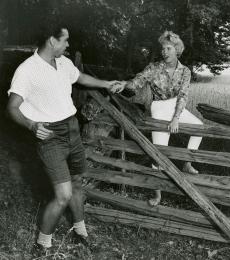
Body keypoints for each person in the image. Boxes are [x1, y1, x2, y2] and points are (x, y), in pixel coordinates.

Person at [6, 24, 122, 255]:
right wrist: (31, 125)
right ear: (52, 40)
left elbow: (80, 77)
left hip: (72, 129)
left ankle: (81, 233)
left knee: (77, 183)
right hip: (51, 136)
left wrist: (106, 84)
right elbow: (12, 107)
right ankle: (42, 244)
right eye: (65, 40)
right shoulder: (27, 70)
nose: (68, 44)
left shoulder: (64, 63)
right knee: (63, 195)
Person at [116, 31, 203, 206]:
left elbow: (183, 96)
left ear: (177, 50)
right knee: (158, 157)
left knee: (199, 127)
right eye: (163, 48)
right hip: (159, 108)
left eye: (168, 48)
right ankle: (157, 196)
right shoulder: (154, 67)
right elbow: (138, 80)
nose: (164, 51)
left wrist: (176, 118)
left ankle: (187, 163)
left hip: (176, 107)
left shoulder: (185, 71)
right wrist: (125, 84)